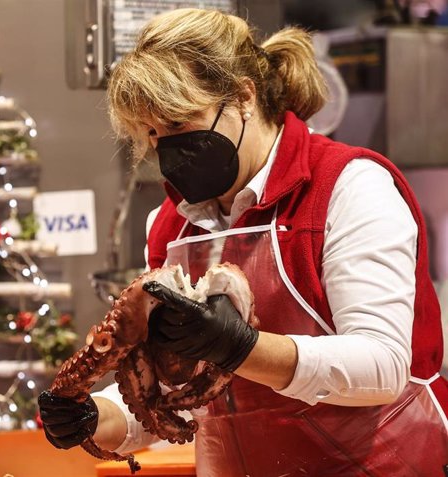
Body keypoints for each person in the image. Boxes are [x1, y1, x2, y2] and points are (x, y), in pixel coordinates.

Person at [39, 8, 448, 476]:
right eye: (151, 133)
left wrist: (240, 349)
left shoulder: (348, 187)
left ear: (242, 96)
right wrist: (96, 417)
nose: (164, 148)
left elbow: (382, 367)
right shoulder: (171, 226)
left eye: (177, 123)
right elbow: (176, 397)